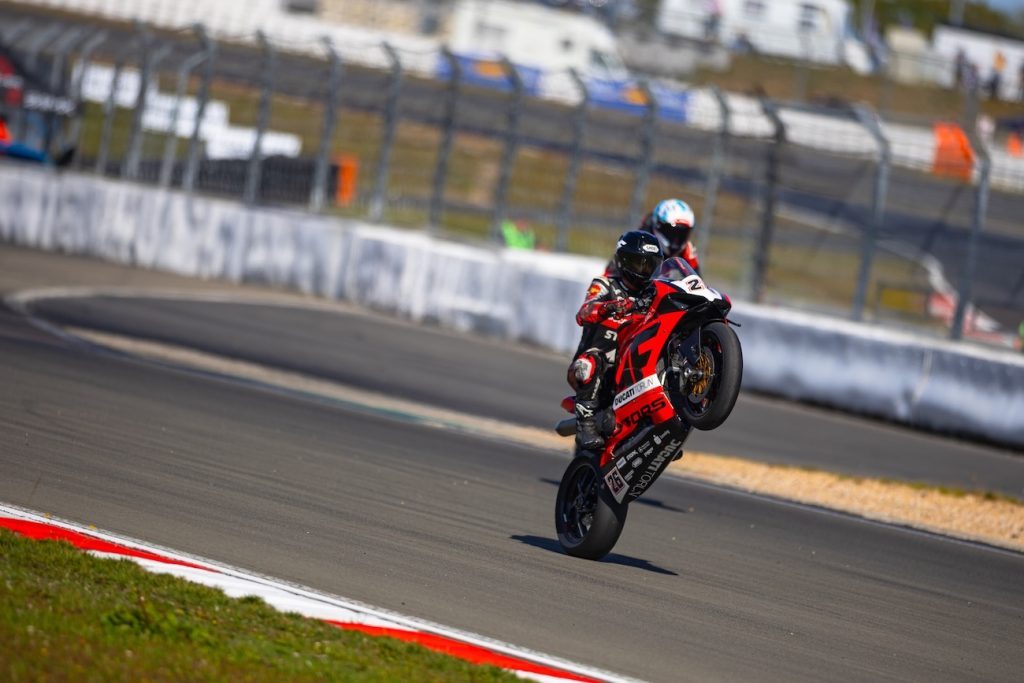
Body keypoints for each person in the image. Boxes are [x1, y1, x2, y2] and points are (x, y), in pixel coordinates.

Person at [569, 230, 664, 450]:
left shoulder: (654, 292)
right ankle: (585, 423)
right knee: (590, 364)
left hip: (632, 365)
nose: (644, 270)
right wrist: (612, 306)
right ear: (623, 261)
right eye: (639, 263)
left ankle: (661, 430)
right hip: (599, 365)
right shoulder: (605, 284)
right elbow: (584, 312)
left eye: (650, 265)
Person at [607, 198, 701, 278]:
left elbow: (698, 281)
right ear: (659, 226)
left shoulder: (687, 248)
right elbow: (609, 277)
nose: (677, 239)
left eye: (683, 233)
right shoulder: (638, 243)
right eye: (673, 233)